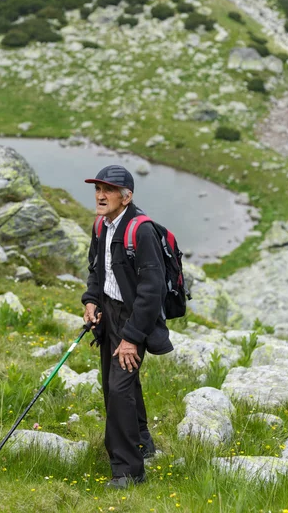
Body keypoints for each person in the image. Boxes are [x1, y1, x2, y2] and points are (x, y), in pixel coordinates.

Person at [81, 164, 173, 489]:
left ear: (126, 195)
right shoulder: (101, 226)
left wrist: (132, 338)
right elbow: (97, 269)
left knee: (119, 391)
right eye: (97, 189)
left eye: (107, 190)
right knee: (115, 385)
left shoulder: (141, 230)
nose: (100, 195)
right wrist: (91, 300)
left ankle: (128, 472)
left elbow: (153, 289)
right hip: (109, 313)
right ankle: (143, 443)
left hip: (135, 319)